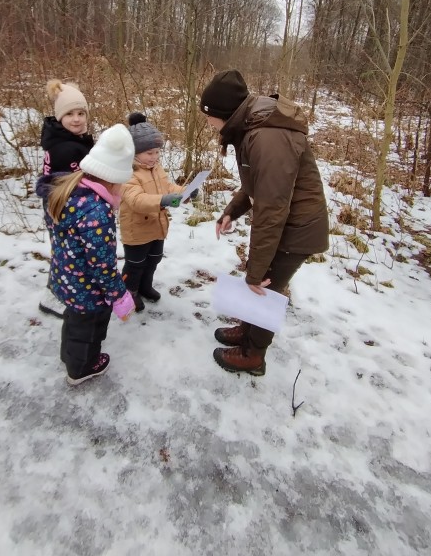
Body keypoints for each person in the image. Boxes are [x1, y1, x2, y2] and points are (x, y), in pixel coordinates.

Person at [200, 69, 329, 376]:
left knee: (266, 286)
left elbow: (272, 209)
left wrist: (254, 273)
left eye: (207, 115)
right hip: (286, 222)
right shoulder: (252, 128)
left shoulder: (266, 137)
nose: (206, 122)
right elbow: (256, 184)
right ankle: (246, 328)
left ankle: (253, 354)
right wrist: (232, 209)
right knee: (260, 279)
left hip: (296, 229)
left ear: (222, 113)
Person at [44, 123, 136, 385]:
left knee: (73, 321)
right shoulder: (98, 212)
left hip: (67, 277)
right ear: (112, 178)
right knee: (88, 330)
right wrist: (119, 297)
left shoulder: (69, 189)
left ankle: (70, 355)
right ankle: (81, 367)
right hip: (87, 289)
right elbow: (103, 266)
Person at [37, 79, 94, 318]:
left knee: (63, 253)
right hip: (65, 208)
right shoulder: (66, 148)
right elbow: (77, 181)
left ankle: (56, 291)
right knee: (70, 256)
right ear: (59, 116)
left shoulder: (68, 140)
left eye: (81, 113)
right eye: (70, 114)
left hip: (63, 205)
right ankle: (61, 297)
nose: (77, 119)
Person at [120, 113, 184, 312]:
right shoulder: (126, 173)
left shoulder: (156, 168)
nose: (154, 157)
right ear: (135, 153)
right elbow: (136, 200)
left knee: (153, 259)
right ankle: (129, 292)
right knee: (135, 264)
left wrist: (185, 192)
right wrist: (163, 201)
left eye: (157, 152)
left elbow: (168, 187)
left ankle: (145, 286)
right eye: (149, 153)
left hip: (157, 226)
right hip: (136, 230)